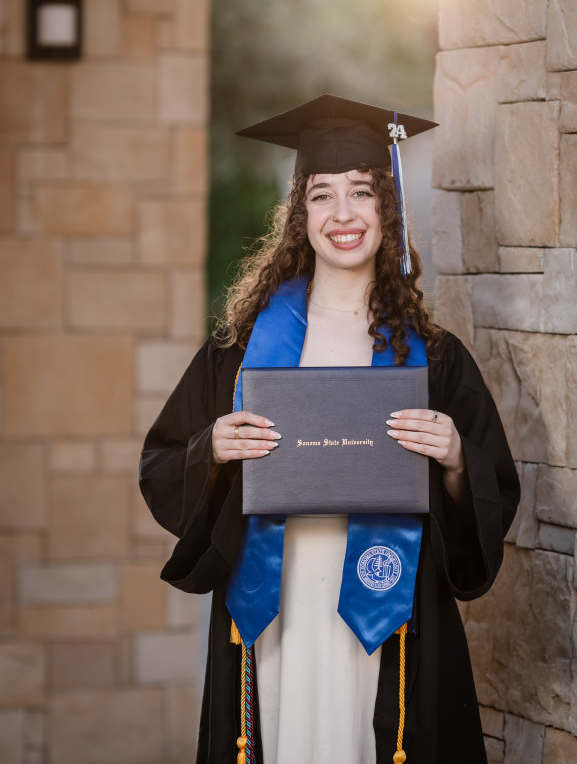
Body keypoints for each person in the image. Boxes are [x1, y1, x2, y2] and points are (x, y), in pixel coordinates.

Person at [139, 94, 520, 764]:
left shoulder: (435, 358)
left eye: (361, 192)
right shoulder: (239, 351)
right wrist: (213, 450)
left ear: (387, 209)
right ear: (300, 215)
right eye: (321, 195)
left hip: (389, 610)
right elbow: (163, 462)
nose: (342, 213)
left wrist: (458, 458)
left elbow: (495, 491)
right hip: (275, 607)